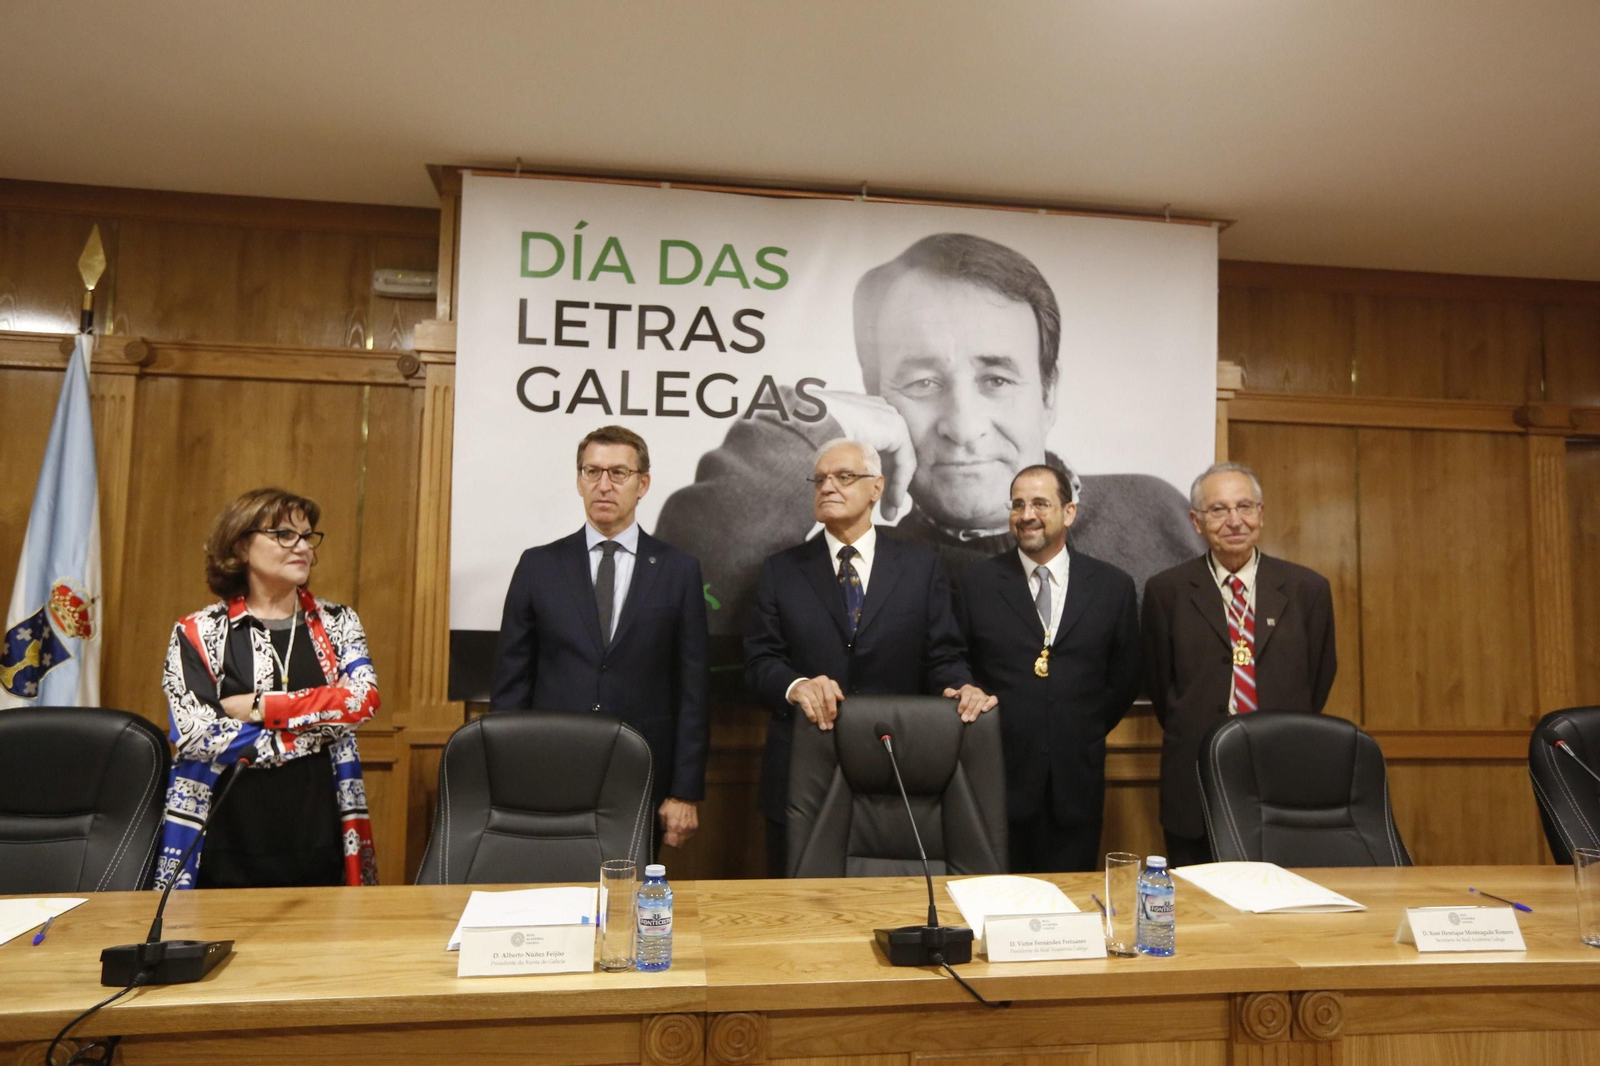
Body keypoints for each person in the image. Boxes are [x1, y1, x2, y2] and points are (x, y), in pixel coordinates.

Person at [658, 232, 1202, 634]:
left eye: (996, 378)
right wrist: (813, 422)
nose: (963, 429)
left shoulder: (1154, 515)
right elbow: (682, 593)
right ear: (876, 400)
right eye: (921, 382)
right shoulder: (847, 557)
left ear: (1048, 394)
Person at [744, 437, 996, 876]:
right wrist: (797, 685)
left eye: (843, 477)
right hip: (805, 769)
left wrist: (962, 686)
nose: (828, 487)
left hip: (896, 771)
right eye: (820, 479)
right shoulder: (781, 570)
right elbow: (759, 662)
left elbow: (943, 656)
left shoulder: (921, 567)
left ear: (877, 488)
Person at [491, 425, 709, 852]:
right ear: (579, 480)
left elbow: (693, 689)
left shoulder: (678, 571)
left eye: (618, 473)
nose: (603, 485)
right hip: (550, 767)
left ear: (643, 483)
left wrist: (684, 792)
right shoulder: (539, 566)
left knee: (625, 904)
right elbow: (511, 681)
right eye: (592, 471)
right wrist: (507, 774)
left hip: (641, 772)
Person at [154, 488, 379, 890]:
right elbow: (197, 733)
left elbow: (362, 702)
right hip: (225, 831)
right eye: (284, 535)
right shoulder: (198, 631)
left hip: (318, 827)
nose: (303, 547)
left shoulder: (338, 622)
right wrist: (320, 728)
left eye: (307, 536)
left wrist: (260, 706)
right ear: (241, 546)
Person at [1141, 461, 1338, 866]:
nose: (1234, 520)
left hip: (1282, 771)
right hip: (1195, 775)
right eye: (1218, 510)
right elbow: (1163, 687)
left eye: (1245, 507)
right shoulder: (1167, 591)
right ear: (1196, 521)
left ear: (1261, 515)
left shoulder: (1307, 589)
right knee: (1199, 904)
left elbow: (1318, 677)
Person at [954, 465, 1141, 873]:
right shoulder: (976, 584)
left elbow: (1124, 677)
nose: (1026, 515)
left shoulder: (1112, 586)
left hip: (1076, 781)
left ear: (1069, 512)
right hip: (995, 778)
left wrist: (1079, 725)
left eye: (1040, 503)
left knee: (1066, 911)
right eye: (1017, 504)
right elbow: (953, 659)